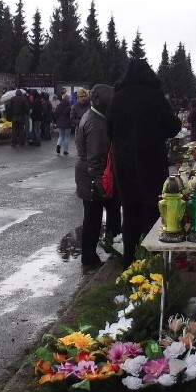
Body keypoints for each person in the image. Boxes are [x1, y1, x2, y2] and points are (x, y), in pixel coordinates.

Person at [106, 59, 182, 268]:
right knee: (153, 209)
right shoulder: (155, 96)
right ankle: (152, 261)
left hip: (125, 164)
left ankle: (129, 261)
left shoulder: (118, 98)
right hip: (151, 161)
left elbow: (109, 132)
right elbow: (173, 127)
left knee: (130, 212)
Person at [75, 84, 121, 267]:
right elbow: (94, 157)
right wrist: (98, 182)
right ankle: (89, 258)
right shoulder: (95, 122)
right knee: (93, 220)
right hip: (94, 178)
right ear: (99, 100)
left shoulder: (96, 116)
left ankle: (113, 246)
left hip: (98, 176)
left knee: (112, 212)